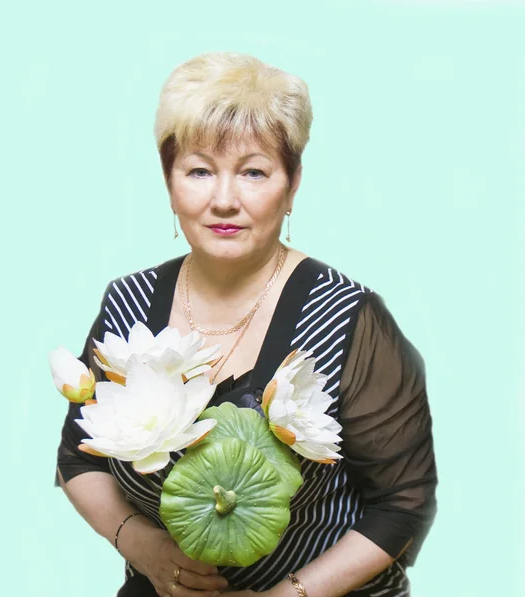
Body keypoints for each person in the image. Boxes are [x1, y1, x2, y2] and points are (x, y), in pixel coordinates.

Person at [54, 51, 437, 597]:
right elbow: (77, 457)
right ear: (170, 182)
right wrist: (149, 552)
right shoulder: (129, 302)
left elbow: (402, 503)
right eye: (200, 171)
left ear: (293, 184)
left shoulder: (349, 315)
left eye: (254, 171)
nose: (225, 200)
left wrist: (292, 594)